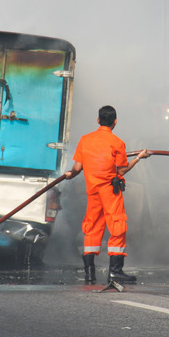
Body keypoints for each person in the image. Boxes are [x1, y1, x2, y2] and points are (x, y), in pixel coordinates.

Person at [65, 105, 150, 285]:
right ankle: (115, 272)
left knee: (92, 227)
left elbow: (77, 168)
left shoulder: (85, 140)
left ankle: (89, 273)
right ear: (115, 122)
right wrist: (138, 158)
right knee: (117, 226)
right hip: (110, 191)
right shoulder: (117, 143)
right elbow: (122, 170)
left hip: (93, 191)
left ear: (98, 120)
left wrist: (69, 175)